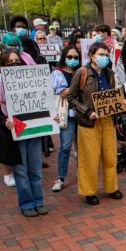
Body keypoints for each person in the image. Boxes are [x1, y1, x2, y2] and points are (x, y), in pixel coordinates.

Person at [0, 49, 49, 217]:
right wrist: (4, 122)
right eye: (10, 62)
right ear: (2, 65)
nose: (14, 64)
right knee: (21, 171)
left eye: (17, 61)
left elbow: (43, 100)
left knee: (35, 169)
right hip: (14, 131)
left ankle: (39, 201)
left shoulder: (32, 80)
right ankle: (27, 204)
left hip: (33, 129)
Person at [66, 42, 122, 205]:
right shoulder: (82, 73)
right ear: (92, 56)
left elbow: (112, 94)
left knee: (110, 155)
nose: (104, 57)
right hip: (89, 122)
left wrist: (118, 103)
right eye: (101, 54)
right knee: (89, 158)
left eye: (106, 54)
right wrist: (87, 111)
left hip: (107, 120)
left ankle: (112, 187)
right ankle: (89, 191)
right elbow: (71, 97)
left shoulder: (110, 73)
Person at [49, 45, 80, 192]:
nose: (73, 60)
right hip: (68, 116)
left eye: (75, 57)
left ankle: (84, 174)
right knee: (65, 147)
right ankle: (60, 177)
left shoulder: (82, 71)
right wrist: (76, 87)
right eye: (70, 57)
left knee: (84, 147)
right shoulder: (57, 73)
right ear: (64, 57)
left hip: (82, 114)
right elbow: (61, 92)